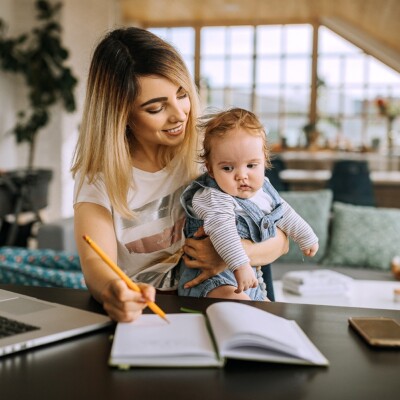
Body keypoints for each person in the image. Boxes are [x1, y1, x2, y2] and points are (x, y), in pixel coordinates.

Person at [71, 27, 288, 322]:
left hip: (222, 299)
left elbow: (281, 239)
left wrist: (233, 253)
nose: (180, 114)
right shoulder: (99, 178)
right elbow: (96, 261)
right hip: (150, 315)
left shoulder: (211, 152)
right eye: (156, 107)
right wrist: (114, 291)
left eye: (182, 94)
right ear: (121, 114)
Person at [179, 108, 318, 301]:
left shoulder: (264, 190)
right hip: (214, 281)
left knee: (271, 317)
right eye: (228, 168)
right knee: (244, 309)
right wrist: (241, 265)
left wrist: (305, 235)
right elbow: (223, 230)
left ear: (264, 162)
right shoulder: (213, 196)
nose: (241, 175)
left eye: (251, 165)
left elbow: (283, 211)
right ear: (210, 169)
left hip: (251, 278)